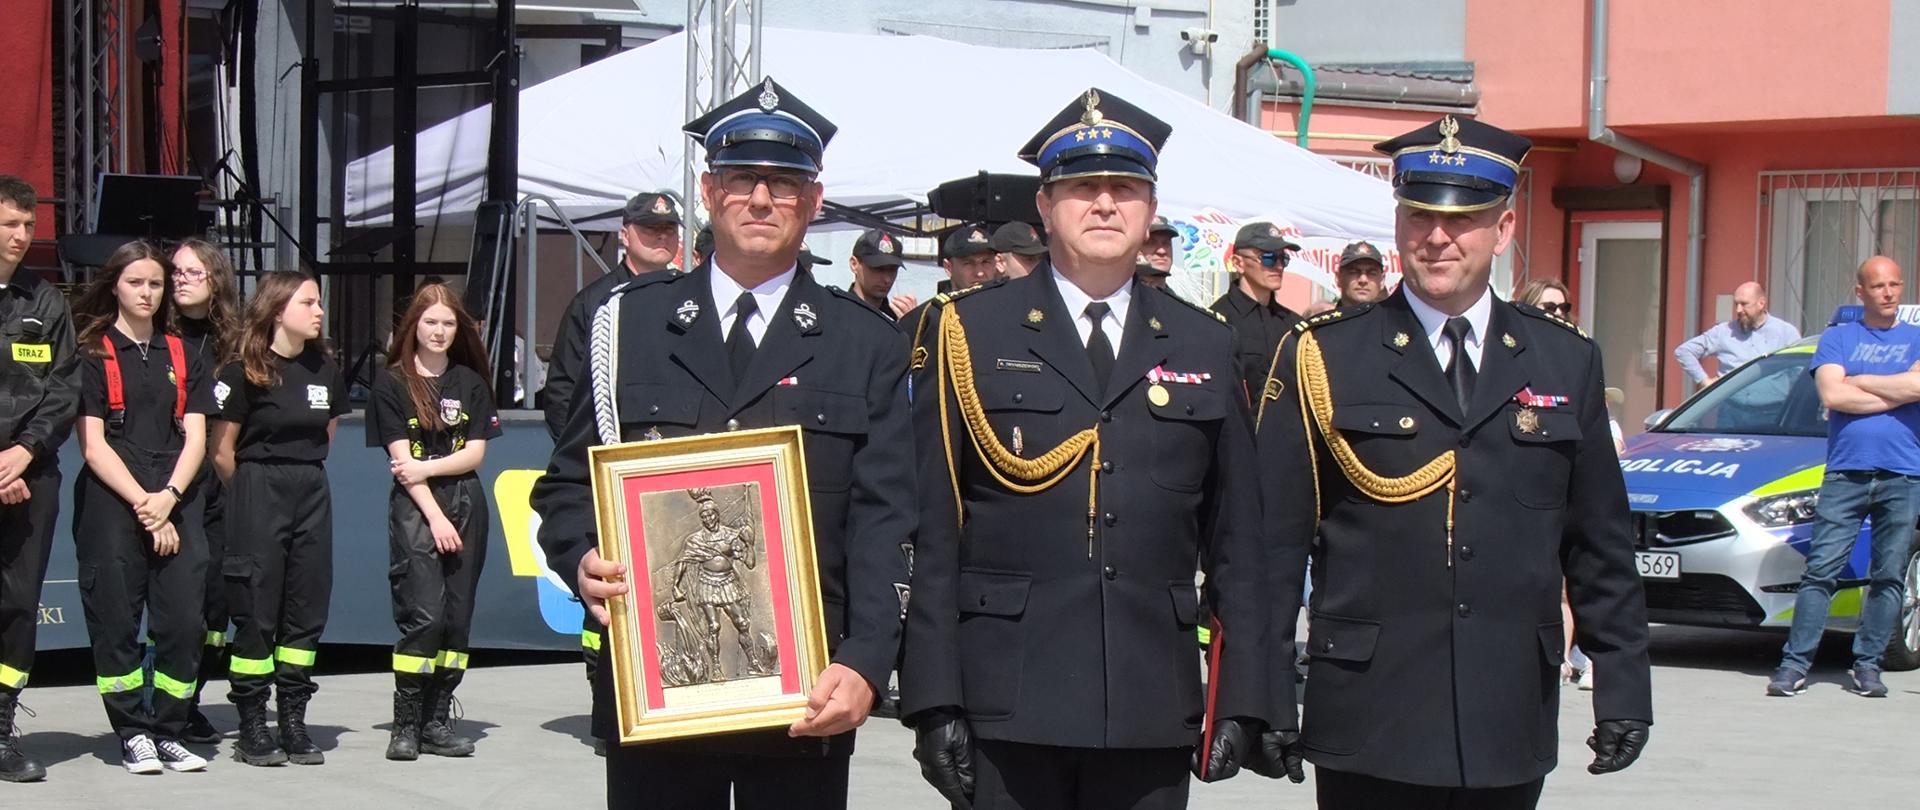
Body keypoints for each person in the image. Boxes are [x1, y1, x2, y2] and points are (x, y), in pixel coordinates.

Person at [531, 76, 914, 810]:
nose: (762, 199)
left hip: (807, 692)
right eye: (742, 179)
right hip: (661, 686)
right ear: (709, 191)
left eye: (784, 182)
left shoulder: (863, 343)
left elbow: (888, 519)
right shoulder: (627, 327)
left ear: (815, 199)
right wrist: (582, 554)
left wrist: (867, 662)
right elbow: (568, 483)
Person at [1251, 115, 1652, 809]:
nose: (1437, 238)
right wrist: (1263, 694)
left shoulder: (1564, 358)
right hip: (1369, 710)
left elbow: (1599, 542)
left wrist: (1622, 685)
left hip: (1505, 710)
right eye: (1418, 216)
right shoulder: (1327, 354)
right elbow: (1273, 546)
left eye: (1464, 219)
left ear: (1503, 230)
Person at [902, 87, 1270, 810]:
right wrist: (933, 698)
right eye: (1082, 188)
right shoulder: (969, 333)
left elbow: (1239, 544)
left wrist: (1242, 697)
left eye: (1125, 189)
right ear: (1044, 207)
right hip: (1007, 699)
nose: (1105, 204)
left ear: (1150, 205)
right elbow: (934, 533)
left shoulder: (1206, 343)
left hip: (1149, 701)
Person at [69, 241, 218, 774]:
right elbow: (92, 446)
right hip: (113, 501)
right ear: (115, 285)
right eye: (137, 282)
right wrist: (144, 505)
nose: (148, 292)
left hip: (176, 494)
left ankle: (171, 728)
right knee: (116, 620)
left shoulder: (186, 354)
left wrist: (169, 501)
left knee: (182, 621)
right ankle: (133, 731)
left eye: (156, 283)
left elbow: (197, 439)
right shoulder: (93, 352)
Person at [210, 271, 350, 767]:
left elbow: (326, 435)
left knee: (306, 603)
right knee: (256, 604)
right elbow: (222, 451)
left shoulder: (324, 369)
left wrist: (297, 477)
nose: (318, 311)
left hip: (309, 487)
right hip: (256, 486)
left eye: (319, 302)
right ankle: (253, 724)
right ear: (277, 310)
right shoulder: (242, 370)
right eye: (309, 302)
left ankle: (293, 718)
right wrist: (253, 494)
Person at [1767, 256, 1920, 700]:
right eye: (1878, 286)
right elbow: (1833, 393)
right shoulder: (1837, 338)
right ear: (1861, 292)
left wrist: (1864, 381)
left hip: (1904, 473)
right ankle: (1794, 665)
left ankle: (1868, 665)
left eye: (1895, 284)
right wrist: (1897, 387)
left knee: (1889, 575)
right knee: (1821, 572)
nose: (1888, 293)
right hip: (1847, 472)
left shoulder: (1916, 337)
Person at [368, 282, 499, 759]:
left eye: (447, 323)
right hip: (417, 507)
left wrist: (430, 467)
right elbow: (403, 467)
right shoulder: (392, 383)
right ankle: (405, 724)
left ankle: (437, 719)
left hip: (466, 500)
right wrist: (435, 513)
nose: (439, 331)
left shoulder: (470, 382)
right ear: (413, 328)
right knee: (423, 616)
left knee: (456, 620)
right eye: (430, 322)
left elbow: (476, 454)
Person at [0, 176, 78, 784]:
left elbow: (62, 389)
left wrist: (24, 453)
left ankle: (0, 728)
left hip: (32, 474)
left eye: (28, 226)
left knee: (19, 604)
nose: (22, 236)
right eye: (9, 224)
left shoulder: (45, 302)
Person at [169, 238, 241, 743]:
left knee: (215, 604)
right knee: (174, 603)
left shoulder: (236, 343)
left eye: (192, 272)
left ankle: (190, 698)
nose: (179, 280)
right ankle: (160, 704)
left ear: (215, 279)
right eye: (175, 272)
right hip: (166, 482)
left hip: (219, 487)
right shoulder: (155, 335)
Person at [540, 191, 683, 440]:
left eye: (669, 228)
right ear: (625, 236)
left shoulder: (690, 296)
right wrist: (583, 458)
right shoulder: (594, 302)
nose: (662, 235)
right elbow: (562, 390)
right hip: (612, 440)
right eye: (651, 228)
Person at [1212, 222, 1302, 398]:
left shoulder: (1294, 324)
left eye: (1283, 259)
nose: (1278, 266)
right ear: (1238, 263)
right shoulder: (1217, 320)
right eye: (1268, 257)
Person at [1674, 281, 1801, 386]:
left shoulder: (1786, 333)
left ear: (1761, 303)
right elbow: (1684, 351)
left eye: (1744, 304)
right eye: (1736, 304)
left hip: (1771, 411)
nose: (1738, 310)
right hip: (1732, 411)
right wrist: (1704, 381)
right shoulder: (1724, 332)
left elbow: (1798, 372)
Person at [902, 223, 1001, 347]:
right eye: (968, 263)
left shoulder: (1010, 312)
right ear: (948, 267)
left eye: (986, 262)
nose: (980, 273)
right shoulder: (926, 319)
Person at [847, 229, 914, 320]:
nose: (887, 279)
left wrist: (912, 324)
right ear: (854, 264)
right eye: (878, 269)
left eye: (893, 269)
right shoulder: (836, 314)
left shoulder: (897, 317)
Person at [1334, 241, 1387, 308]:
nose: (1363, 280)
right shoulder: (1325, 318)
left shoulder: (1395, 318)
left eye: (1371, 273)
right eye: (1353, 272)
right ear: (1338, 278)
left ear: (1382, 281)